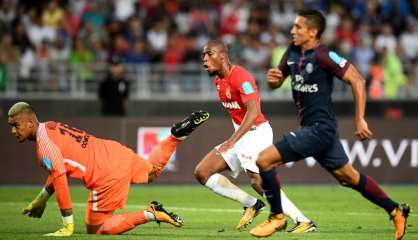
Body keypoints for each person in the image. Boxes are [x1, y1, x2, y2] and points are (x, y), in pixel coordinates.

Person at [249, 10, 410, 240]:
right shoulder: (292, 52)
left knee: (264, 160)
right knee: (349, 177)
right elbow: (278, 80)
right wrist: (273, 81)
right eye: (293, 27)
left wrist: (360, 119)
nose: (293, 31)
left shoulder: (325, 56)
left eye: (298, 27)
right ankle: (396, 210)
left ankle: (277, 217)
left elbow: (357, 80)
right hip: (316, 129)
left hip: (319, 129)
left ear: (313, 32)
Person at [7, 101, 210, 236]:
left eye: (16, 125)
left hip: (105, 175)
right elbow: (60, 168)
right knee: (151, 172)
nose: (13, 130)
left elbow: (60, 178)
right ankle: (175, 136)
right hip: (113, 151)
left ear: (31, 122)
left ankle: (152, 213)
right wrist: (41, 199)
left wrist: (67, 224)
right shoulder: (50, 126)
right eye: (11, 126)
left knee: (96, 228)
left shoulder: (44, 146)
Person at [195, 40, 315, 233]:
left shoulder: (241, 77)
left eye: (209, 54)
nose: (204, 60)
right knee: (202, 172)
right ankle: (252, 204)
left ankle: (303, 220)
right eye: (203, 56)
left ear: (223, 56)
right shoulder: (218, 80)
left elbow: (253, 112)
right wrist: (234, 140)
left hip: (256, 132)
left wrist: (232, 141)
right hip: (240, 136)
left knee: (257, 180)